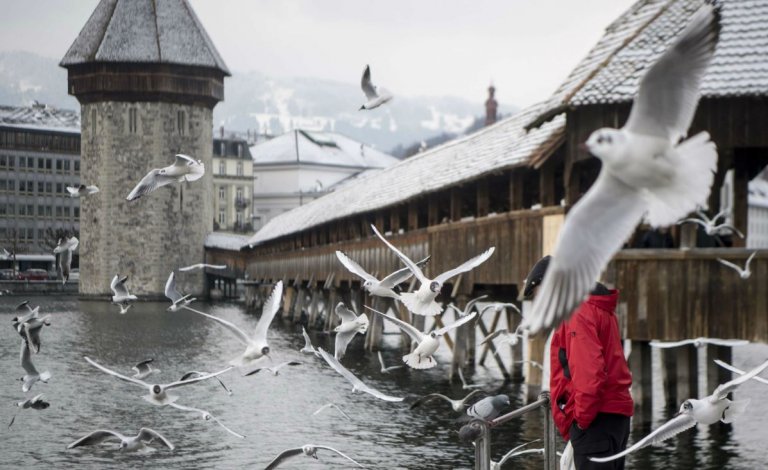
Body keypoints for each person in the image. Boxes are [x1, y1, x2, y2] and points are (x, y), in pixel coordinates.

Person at [522, 255, 633, 469]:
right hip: (615, 417)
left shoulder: (577, 312)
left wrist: (581, 422)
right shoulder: (596, 306)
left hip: (596, 421)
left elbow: (589, 374)